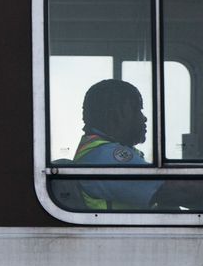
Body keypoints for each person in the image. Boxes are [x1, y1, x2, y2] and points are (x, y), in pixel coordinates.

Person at [56, 78, 159, 211]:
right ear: (114, 115)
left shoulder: (99, 152)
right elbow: (174, 190)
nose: (143, 118)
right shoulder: (105, 156)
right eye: (136, 110)